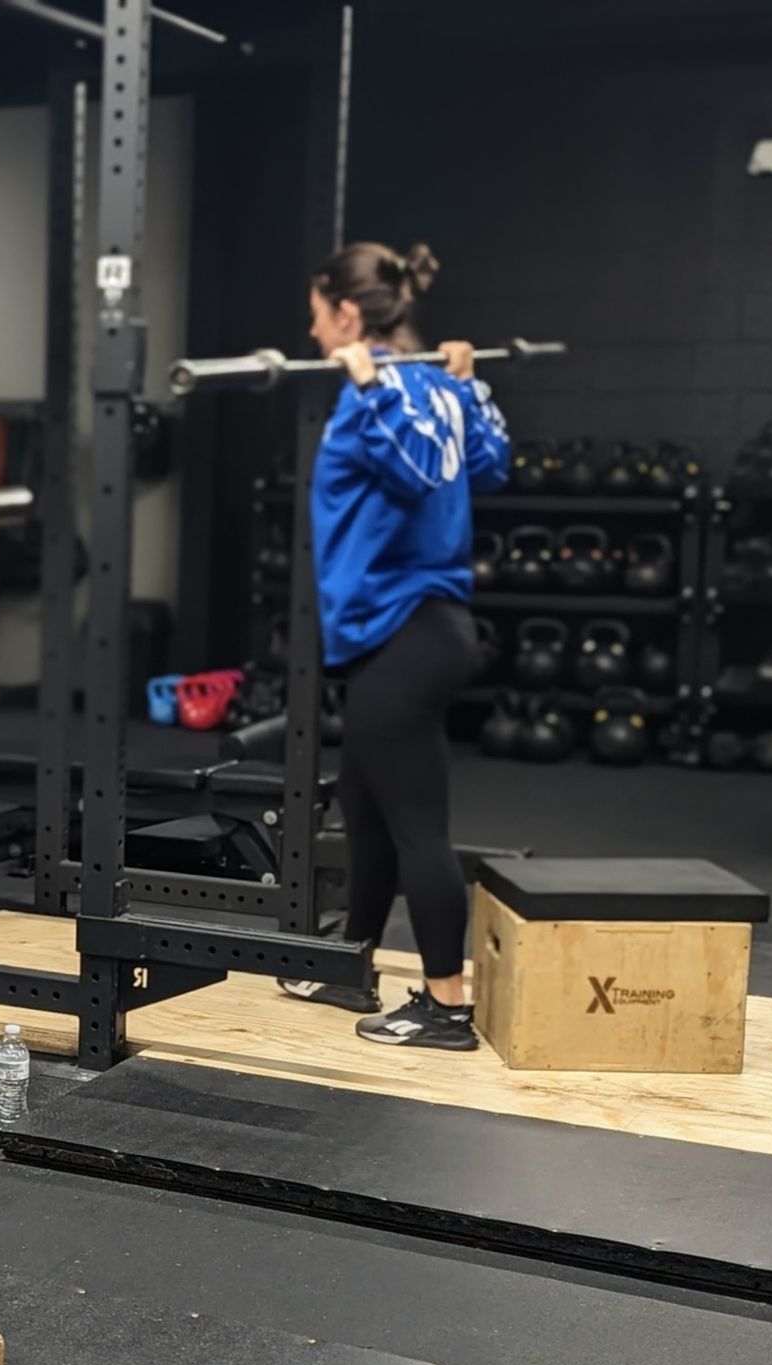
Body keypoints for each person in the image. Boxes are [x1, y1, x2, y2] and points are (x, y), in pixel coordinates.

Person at [275, 242, 510, 1049]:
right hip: (405, 629)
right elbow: (487, 463)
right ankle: (350, 964)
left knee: (417, 829)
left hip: (407, 628)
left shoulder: (383, 391)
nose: (312, 333)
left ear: (348, 315)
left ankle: (445, 1006)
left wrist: (374, 387)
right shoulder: (434, 386)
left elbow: (420, 473)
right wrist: (467, 384)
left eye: (318, 316)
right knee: (365, 810)